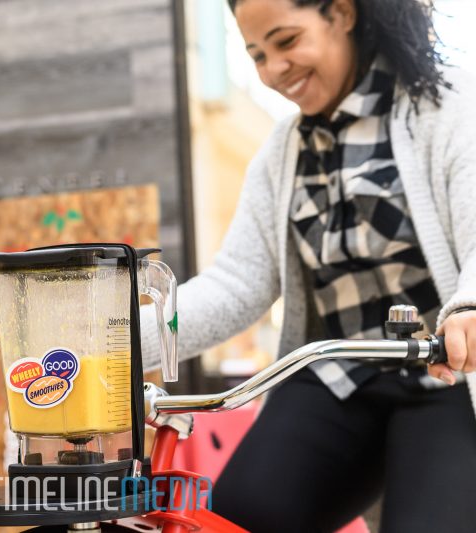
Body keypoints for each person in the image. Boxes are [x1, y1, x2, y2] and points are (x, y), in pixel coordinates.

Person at [141, 0, 476, 531]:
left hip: (449, 379)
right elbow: (237, 284)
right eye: (256, 55)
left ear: (342, 13)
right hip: (339, 377)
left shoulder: (448, 104)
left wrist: (470, 305)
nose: (274, 69)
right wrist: (112, 340)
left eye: (286, 41)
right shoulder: (280, 154)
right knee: (238, 519)